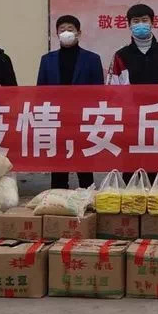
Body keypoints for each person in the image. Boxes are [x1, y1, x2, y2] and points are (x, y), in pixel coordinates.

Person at [108, 3, 158, 182]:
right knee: (130, 165)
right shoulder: (121, 55)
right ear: (129, 25)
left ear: (152, 22)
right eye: (136, 21)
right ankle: (131, 195)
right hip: (131, 120)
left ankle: (157, 195)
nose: (140, 24)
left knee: (156, 164)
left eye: (144, 20)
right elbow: (112, 89)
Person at [37, 14, 103, 191]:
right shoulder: (47, 60)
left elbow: (99, 91)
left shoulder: (92, 59)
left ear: (78, 33)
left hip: (83, 118)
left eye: (70, 29)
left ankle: (88, 196)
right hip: (56, 119)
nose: (66, 32)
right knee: (58, 163)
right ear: (57, 34)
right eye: (62, 29)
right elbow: (40, 91)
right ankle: (58, 196)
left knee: (84, 163)